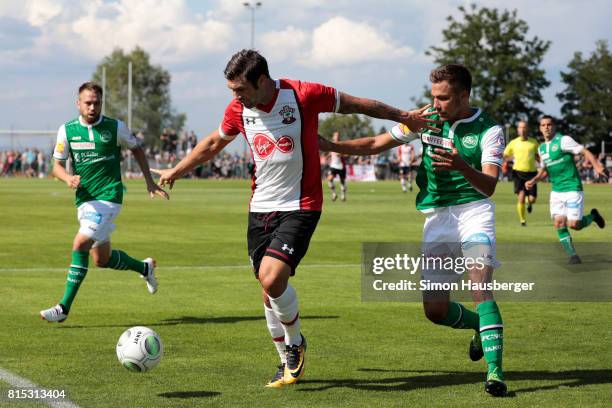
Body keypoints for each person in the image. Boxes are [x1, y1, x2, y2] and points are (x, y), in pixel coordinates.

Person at [152, 49, 437, 388]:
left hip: (301, 204)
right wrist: (178, 170)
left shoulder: (304, 94)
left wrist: (404, 115)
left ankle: (295, 344)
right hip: (260, 208)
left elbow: (359, 104)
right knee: (267, 288)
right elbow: (214, 142)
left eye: (240, 89)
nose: (235, 97)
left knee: (272, 279)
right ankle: (284, 362)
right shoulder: (239, 109)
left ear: (261, 81)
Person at [320, 64, 509, 397]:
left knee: (480, 284)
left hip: (474, 211)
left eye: (444, 97)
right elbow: (377, 143)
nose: (435, 104)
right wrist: (332, 146)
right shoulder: (426, 119)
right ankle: (482, 324)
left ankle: (495, 373)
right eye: (433, 96)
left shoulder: (489, 129)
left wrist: (461, 165)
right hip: (437, 218)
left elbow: (490, 184)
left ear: (464, 96)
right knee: (435, 311)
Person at [40, 82, 168, 323]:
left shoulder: (115, 127)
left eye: (96, 103)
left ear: (101, 103)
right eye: (87, 102)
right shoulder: (66, 131)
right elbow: (55, 167)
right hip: (85, 201)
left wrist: (149, 182)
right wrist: (68, 178)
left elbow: (137, 149)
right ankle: (145, 269)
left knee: (80, 244)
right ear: (78, 103)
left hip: (109, 198)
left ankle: (63, 308)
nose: (92, 107)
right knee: (102, 260)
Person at [525, 116, 607, 264]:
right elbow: (545, 170)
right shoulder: (541, 148)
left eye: (549, 124)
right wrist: (533, 180)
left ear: (554, 126)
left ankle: (593, 216)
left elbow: (585, 151)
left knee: (574, 225)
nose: (546, 127)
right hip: (556, 191)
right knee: (559, 223)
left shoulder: (563, 140)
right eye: (543, 125)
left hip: (572, 188)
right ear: (540, 128)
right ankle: (573, 256)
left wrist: (596, 166)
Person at [503, 121, 539, 226]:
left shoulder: (534, 142)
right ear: (518, 130)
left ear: (527, 129)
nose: (522, 130)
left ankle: (529, 201)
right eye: (520, 128)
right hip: (518, 173)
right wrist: (504, 162)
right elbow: (505, 155)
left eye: (524, 127)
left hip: (532, 173)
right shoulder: (513, 143)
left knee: (532, 199)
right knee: (521, 197)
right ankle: (523, 220)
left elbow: (539, 155)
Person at [327, 132, 348, 201]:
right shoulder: (331, 145)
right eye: (336, 136)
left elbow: (347, 155)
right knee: (330, 179)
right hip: (333, 166)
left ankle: (343, 195)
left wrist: (342, 155)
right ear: (333, 137)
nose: (337, 137)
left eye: (338, 136)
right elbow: (330, 153)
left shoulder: (342, 145)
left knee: (342, 181)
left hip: (341, 166)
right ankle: (334, 194)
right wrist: (328, 156)